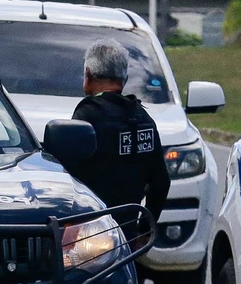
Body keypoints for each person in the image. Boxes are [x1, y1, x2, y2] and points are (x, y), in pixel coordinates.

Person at [67, 39, 168, 237]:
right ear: (125, 78)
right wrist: (144, 231)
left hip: (89, 235)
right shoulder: (143, 118)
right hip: (127, 236)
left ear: (88, 74)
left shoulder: (88, 115)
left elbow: (68, 174)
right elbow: (161, 182)